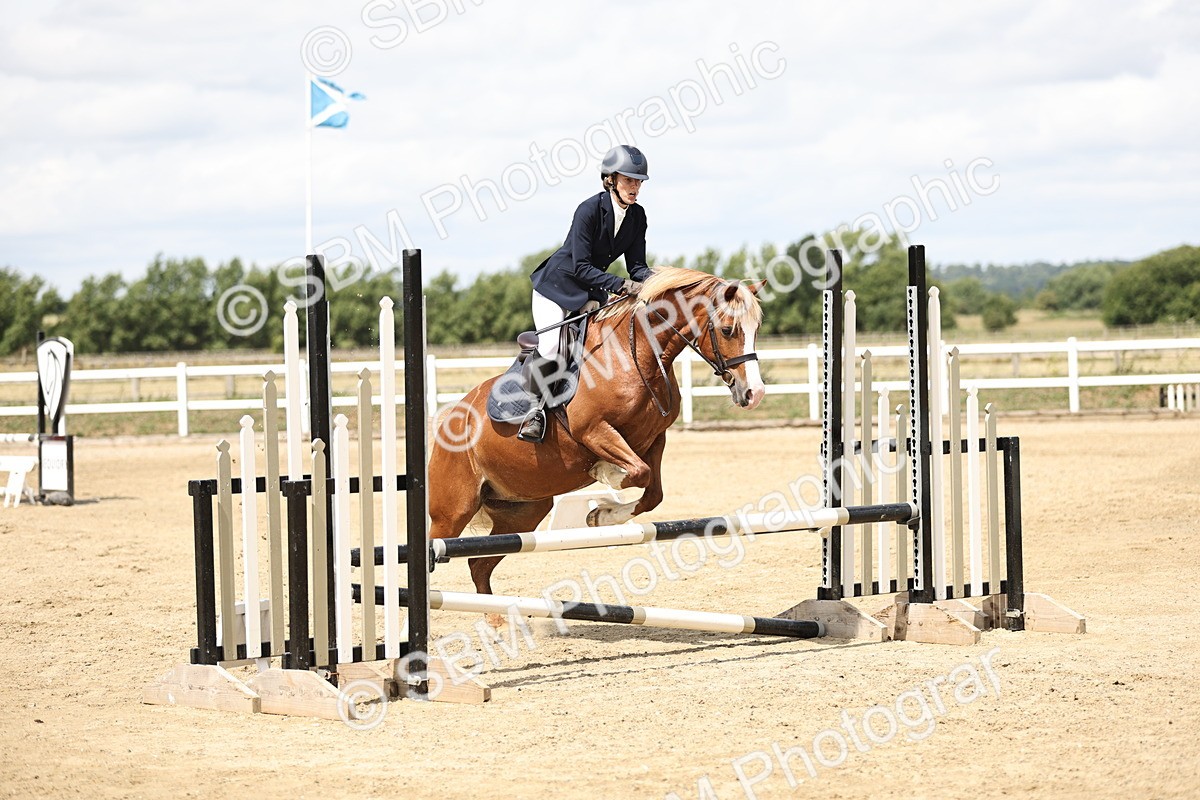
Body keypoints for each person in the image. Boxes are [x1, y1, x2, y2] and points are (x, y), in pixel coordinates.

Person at [519, 144, 654, 442]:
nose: (635, 187)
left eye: (639, 181)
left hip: (592, 293)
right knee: (554, 345)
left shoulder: (637, 216)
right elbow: (580, 266)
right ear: (611, 180)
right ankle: (533, 412)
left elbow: (637, 268)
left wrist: (659, 280)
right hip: (555, 288)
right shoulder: (589, 210)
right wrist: (623, 286)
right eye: (629, 180)